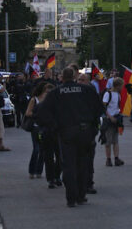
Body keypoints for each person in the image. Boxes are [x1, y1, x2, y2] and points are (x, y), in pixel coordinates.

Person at [37, 67, 102, 207]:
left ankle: (71, 198)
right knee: (83, 164)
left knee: (68, 165)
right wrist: (93, 128)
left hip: (66, 132)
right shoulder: (86, 90)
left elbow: (42, 112)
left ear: (62, 77)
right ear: (74, 76)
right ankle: (81, 195)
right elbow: (99, 109)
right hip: (85, 131)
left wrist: (54, 126)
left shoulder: (56, 92)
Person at [34, 84, 62, 189]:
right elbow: (36, 118)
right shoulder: (41, 106)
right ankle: (51, 179)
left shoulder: (58, 106)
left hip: (56, 133)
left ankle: (56, 176)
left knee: (59, 157)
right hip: (48, 133)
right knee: (49, 157)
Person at [77, 73, 98, 194]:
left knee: (88, 159)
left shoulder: (91, 92)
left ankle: (89, 183)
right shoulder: (73, 94)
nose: (80, 82)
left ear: (88, 82)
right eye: (79, 79)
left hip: (88, 130)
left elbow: (97, 110)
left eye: (83, 80)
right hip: (74, 131)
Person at [25, 82, 50, 179]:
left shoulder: (48, 100)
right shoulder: (34, 100)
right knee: (36, 149)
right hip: (35, 127)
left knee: (43, 150)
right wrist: (37, 114)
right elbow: (28, 113)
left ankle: (39, 171)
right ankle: (32, 171)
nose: (46, 93)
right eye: (45, 91)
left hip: (45, 127)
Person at [103, 77, 125, 167]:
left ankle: (116, 158)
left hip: (116, 119)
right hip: (109, 120)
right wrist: (110, 116)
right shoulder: (108, 94)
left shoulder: (118, 95)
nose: (122, 88)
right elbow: (103, 107)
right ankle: (108, 159)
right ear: (118, 86)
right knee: (108, 141)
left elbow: (117, 106)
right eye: (121, 86)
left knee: (115, 140)